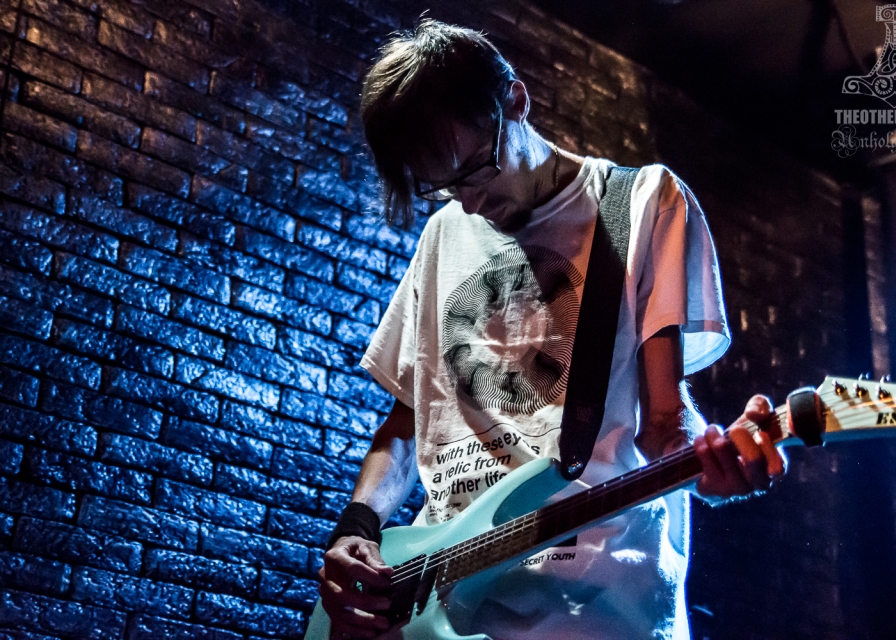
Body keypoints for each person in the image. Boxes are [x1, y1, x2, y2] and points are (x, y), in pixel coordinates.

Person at [314, 19, 786, 640]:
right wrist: (358, 526)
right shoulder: (443, 235)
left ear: (516, 101)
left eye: (474, 170)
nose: (469, 203)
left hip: (592, 607)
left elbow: (665, 424)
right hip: (439, 606)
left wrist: (714, 462)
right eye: (444, 186)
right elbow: (407, 423)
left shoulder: (642, 202)